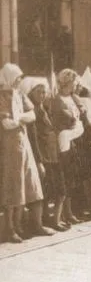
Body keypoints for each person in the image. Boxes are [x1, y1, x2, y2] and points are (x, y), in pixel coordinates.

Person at [0, 63, 54, 243]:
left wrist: (19, 119)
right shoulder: (2, 96)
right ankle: (10, 228)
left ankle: (32, 225)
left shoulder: (19, 94)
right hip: (9, 147)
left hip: (24, 144)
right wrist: (19, 120)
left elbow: (32, 115)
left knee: (31, 183)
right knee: (13, 187)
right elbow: (6, 124)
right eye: (15, 78)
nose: (18, 82)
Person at [25, 78, 67, 230]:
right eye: (39, 92)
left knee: (60, 190)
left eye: (44, 92)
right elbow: (34, 138)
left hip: (53, 154)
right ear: (31, 92)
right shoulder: (32, 111)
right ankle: (41, 224)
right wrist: (39, 160)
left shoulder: (45, 109)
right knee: (44, 192)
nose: (42, 95)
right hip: (43, 156)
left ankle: (55, 220)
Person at [51, 68, 84, 226]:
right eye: (73, 82)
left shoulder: (73, 98)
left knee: (71, 178)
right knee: (64, 178)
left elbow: (78, 116)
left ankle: (69, 212)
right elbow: (68, 121)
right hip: (63, 143)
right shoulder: (57, 100)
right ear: (67, 83)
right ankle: (62, 214)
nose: (75, 85)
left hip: (73, 141)